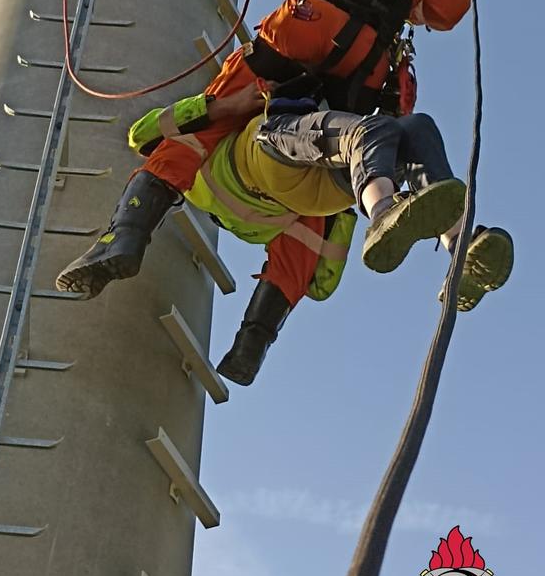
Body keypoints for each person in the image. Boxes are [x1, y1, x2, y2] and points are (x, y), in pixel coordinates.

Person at [55, 0, 473, 289]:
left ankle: (124, 236)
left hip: (309, 23)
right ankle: (451, 240)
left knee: (200, 129)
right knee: (361, 143)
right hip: (368, 58)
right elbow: (445, 11)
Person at [56, 85, 513, 386]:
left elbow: (144, 132)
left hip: (268, 190)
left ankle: (460, 244)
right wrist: (228, 106)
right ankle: (129, 241)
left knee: (415, 131)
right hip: (247, 174)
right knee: (184, 147)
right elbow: (323, 284)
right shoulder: (252, 109)